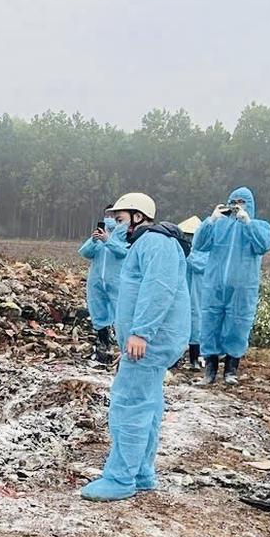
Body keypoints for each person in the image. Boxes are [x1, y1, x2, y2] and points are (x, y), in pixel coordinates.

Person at [81, 192, 191, 502]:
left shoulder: (156, 242)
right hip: (149, 342)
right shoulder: (146, 243)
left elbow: (158, 290)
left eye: (119, 219)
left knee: (129, 404)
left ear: (138, 217)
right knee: (148, 404)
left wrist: (141, 333)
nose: (115, 226)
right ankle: (141, 473)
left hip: (149, 342)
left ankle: (120, 478)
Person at [193, 186, 270, 384]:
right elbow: (199, 244)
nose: (237, 206)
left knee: (238, 325)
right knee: (209, 324)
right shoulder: (219, 225)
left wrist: (248, 223)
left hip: (242, 288)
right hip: (214, 285)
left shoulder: (260, 226)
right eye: (234, 202)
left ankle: (231, 370)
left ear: (250, 205)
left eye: (242, 202)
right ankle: (210, 371)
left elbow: (264, 245)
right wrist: (210, 220)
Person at [78, 211, 128, 364]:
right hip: (97, 281)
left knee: (121, 313)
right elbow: (85, 252)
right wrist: (94, 240)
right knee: (98, 311)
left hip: (117, 281)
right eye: (108, 216)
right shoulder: (100, 237)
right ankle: (103, 344)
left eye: (114, 216)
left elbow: (124, 252)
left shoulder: (126, 236)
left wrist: (108, 240)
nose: (110, 219)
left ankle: (123, 347)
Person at [178, 216, 206, 370]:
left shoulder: (203, 254)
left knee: (195, 324)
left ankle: (194, 359)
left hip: (197, 295)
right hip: (186, 294)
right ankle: (179, 358)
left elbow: (200, 265)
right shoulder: (181, 253)